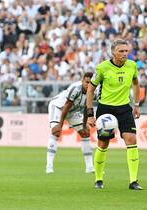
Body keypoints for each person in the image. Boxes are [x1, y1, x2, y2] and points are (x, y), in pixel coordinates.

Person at [86, 39, 142, 190]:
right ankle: (98, 179)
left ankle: (133, 181)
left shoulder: (132, 65)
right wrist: (90, 114)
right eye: (121, 51)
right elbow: (90, 90)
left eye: (126, 51)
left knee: (131, 139)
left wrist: (136, 105)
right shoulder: (102, 68)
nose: (125, 54)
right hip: (106, 109)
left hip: (124, 108)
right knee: (103, 143)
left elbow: (136, 83)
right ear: (113, 52)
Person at [46, 72, 94, 174]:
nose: (88, 85)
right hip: (59, 107)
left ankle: (89, 167)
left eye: (91, 83)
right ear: (82, 81)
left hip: (73, 111)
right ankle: (49, 166)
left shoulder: (94, 91)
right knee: (56, 132)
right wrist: (60, 124)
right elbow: (66, 106)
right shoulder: (75, 89)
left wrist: (84, 123)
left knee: (85, 132)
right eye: (86, 82)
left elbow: (87, 107)